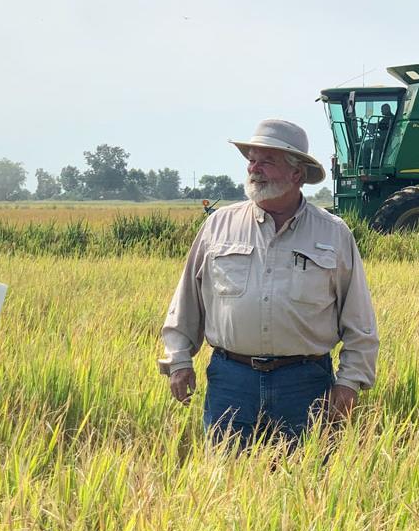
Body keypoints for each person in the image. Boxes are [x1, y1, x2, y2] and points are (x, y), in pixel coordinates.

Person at [160, 119, 378, 447]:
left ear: (297, 174)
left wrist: (349, 383)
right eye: (251, 159)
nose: (254, 169)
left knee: (305, 486)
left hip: (304, 383)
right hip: (231, 380)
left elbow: (359, 320)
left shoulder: (333, 233)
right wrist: (178, 360)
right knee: (226, 485)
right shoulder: (218, 226)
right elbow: (187, 301)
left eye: (267, 161)